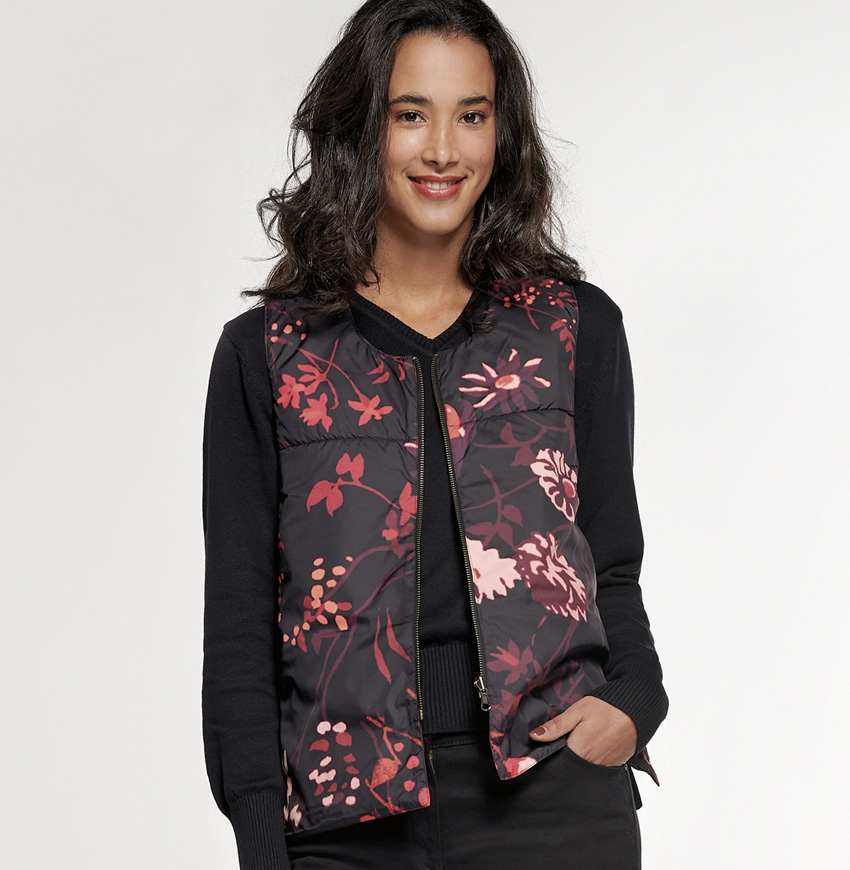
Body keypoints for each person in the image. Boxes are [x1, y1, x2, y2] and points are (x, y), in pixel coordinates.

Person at [201, 1, 668, 867]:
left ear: (503, 133)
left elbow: (611, 563)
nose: (444, 150)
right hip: (346, 817)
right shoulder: (268, 356)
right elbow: (239, 625)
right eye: (411, 114)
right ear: (360, 128)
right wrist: (263, 839)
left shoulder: (573, 331)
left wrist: (633, 701)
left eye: (472, 116)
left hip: (555, 796)